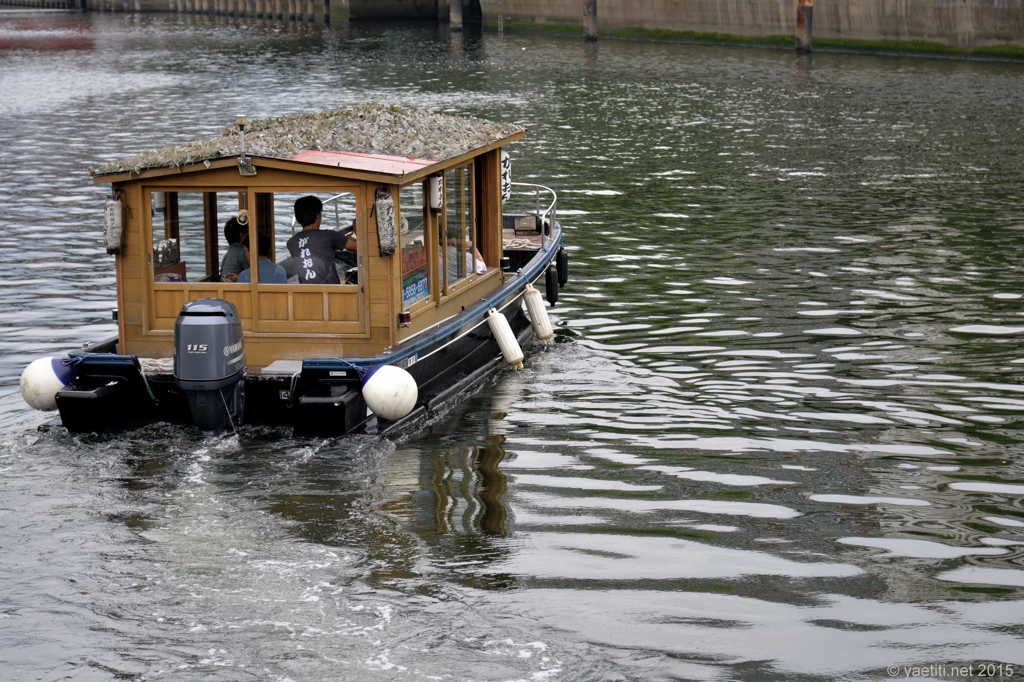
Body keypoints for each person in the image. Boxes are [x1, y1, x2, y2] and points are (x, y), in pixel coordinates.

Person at [286, 195, 353, 284]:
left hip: (306, 294)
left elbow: (318, 248)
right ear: (318, 216)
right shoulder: (329, 236)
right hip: (332, 293)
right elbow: (359, 247)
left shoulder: (291, 243)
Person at [220, 217, 249, 282]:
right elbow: (251, 275)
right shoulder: (243, 252)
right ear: (242, 235)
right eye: (249, 232)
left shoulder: (229, 252)